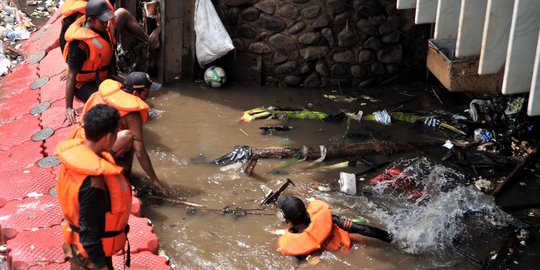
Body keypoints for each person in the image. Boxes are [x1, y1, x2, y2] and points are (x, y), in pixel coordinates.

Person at [56, 104, 131, 270]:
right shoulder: (93, 183)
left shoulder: (76, 159)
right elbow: (89, 234)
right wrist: (101, 266)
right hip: (89, 257)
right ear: (109, 137)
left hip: (76, 246)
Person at [70, 71, 169, 196]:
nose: (148, 96)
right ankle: (122, 175)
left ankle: (115, 165)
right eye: (146, 92)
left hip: (80, 144)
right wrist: (155, 181)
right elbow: (139, 150)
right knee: (130, 137)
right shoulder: (133, 114)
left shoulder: (100, 94)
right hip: (94, 155)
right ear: (134, 93)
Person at [62, 0, 160, 125]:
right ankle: (133, 118)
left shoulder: (104, 28)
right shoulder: (80, 45)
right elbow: (71, 76)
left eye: (107, 20)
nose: (106, 23)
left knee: (133, 87)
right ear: (91, 20)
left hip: (105, 74)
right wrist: (68, 107)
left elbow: (122, 14)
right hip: (86, 84)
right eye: (103, 21)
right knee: (109, 104)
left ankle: (150, 42)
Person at [276, 196, 392, 260]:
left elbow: (305, 261)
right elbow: (361, 229)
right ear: (306, 209)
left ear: (286, 220)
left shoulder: (297, 245)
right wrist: (389, 237)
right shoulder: (327, 219)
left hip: (337, 258)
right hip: (357, 245)